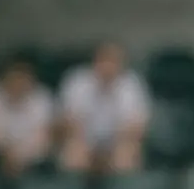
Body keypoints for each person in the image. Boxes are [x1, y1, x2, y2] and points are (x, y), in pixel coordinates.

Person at [58, 41, 149, 174]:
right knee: (74, 153)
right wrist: (88, 146)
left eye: (113, 62)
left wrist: (111, 148)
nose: (108, 66)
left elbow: (136, 127)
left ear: (121, 64)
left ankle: (121, 187)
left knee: (125, 155)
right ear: (95, 62)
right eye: (104, 61)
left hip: (117, 142)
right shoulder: (78, 81)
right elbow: (69, 122)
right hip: (85, 140)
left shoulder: (131, 84)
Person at [0, 52, 54, 178]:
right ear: (4, 77)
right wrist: (5, 151)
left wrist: (20, 155)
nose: (18, 82)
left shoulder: (43, 98)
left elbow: (43, 139)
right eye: (14, 77)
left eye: (23, 77)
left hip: (33, 161)